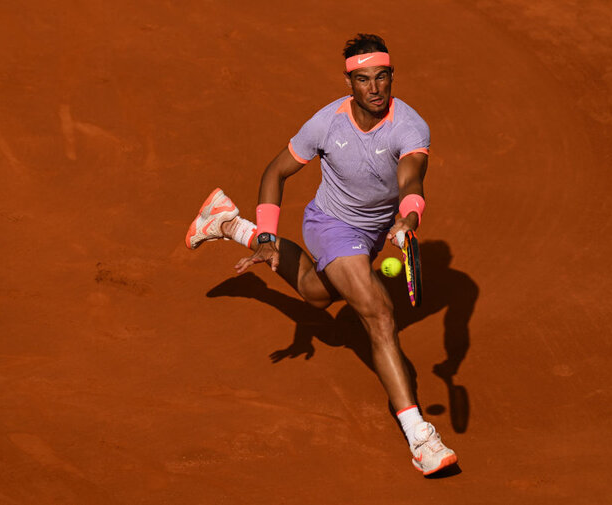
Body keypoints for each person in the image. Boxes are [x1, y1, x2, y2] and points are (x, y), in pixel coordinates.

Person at [185, 33, 457, 476]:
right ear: (349, 82)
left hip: (371, 235)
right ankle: (420, 437)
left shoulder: (410, 125)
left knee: (316, 294)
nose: (375, 89)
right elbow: (275, 172)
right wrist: (274, 230)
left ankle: (230, 224)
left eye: (382, 77)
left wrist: (409, 217)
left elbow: (411, 180)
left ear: (392, 77)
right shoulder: (325, 124)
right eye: (364, 79)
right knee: (379, 314)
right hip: (329, 225)